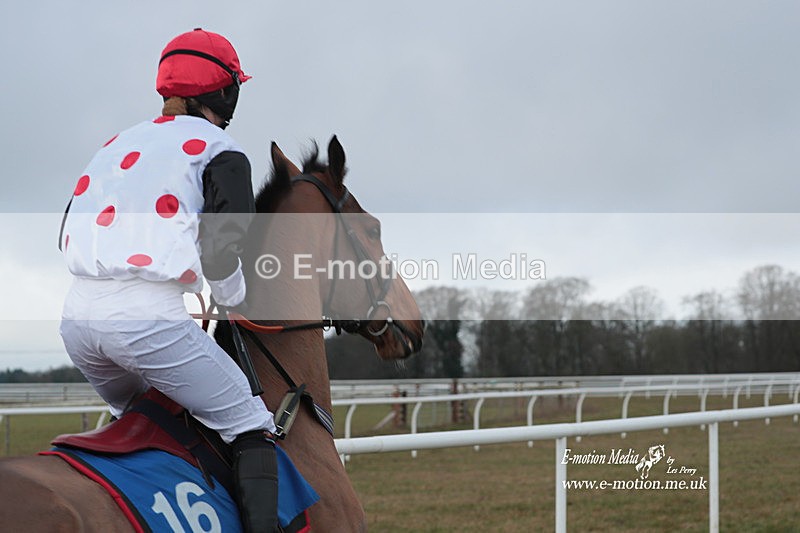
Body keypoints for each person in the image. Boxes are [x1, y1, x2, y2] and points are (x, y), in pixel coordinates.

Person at [59, 28, 278, 533]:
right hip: (147, 323)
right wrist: (232, 299)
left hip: (77, 321)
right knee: (250, 423)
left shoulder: (114, 144)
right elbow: (224, 251)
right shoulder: (222, 149)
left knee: (148, 418)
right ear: (227, 92)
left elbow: (70, 230)